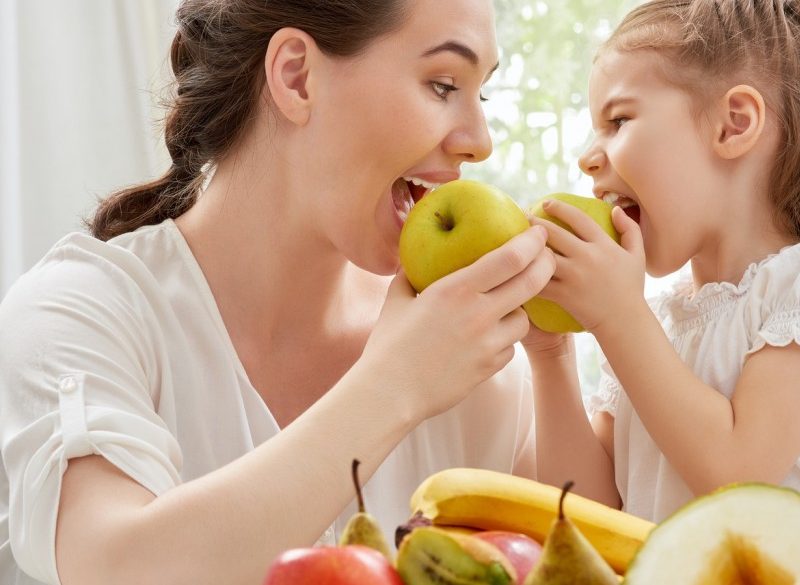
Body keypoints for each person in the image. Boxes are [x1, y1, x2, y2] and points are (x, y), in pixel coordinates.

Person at [0, 1, 558, 584]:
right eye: (443, 85)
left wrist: (555, 355)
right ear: (297, 77)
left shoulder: (470, 361)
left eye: (482, 95)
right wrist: (395, 385)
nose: (480, 142)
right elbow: (115, 567)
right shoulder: (81, 310)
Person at [523, 1, 800, 583]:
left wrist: (617, 317)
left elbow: (738, 478)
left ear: (734, 123)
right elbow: (584, 519)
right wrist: (550, 353)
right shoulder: (657, 324)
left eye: (618, 121)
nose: (588, 157)